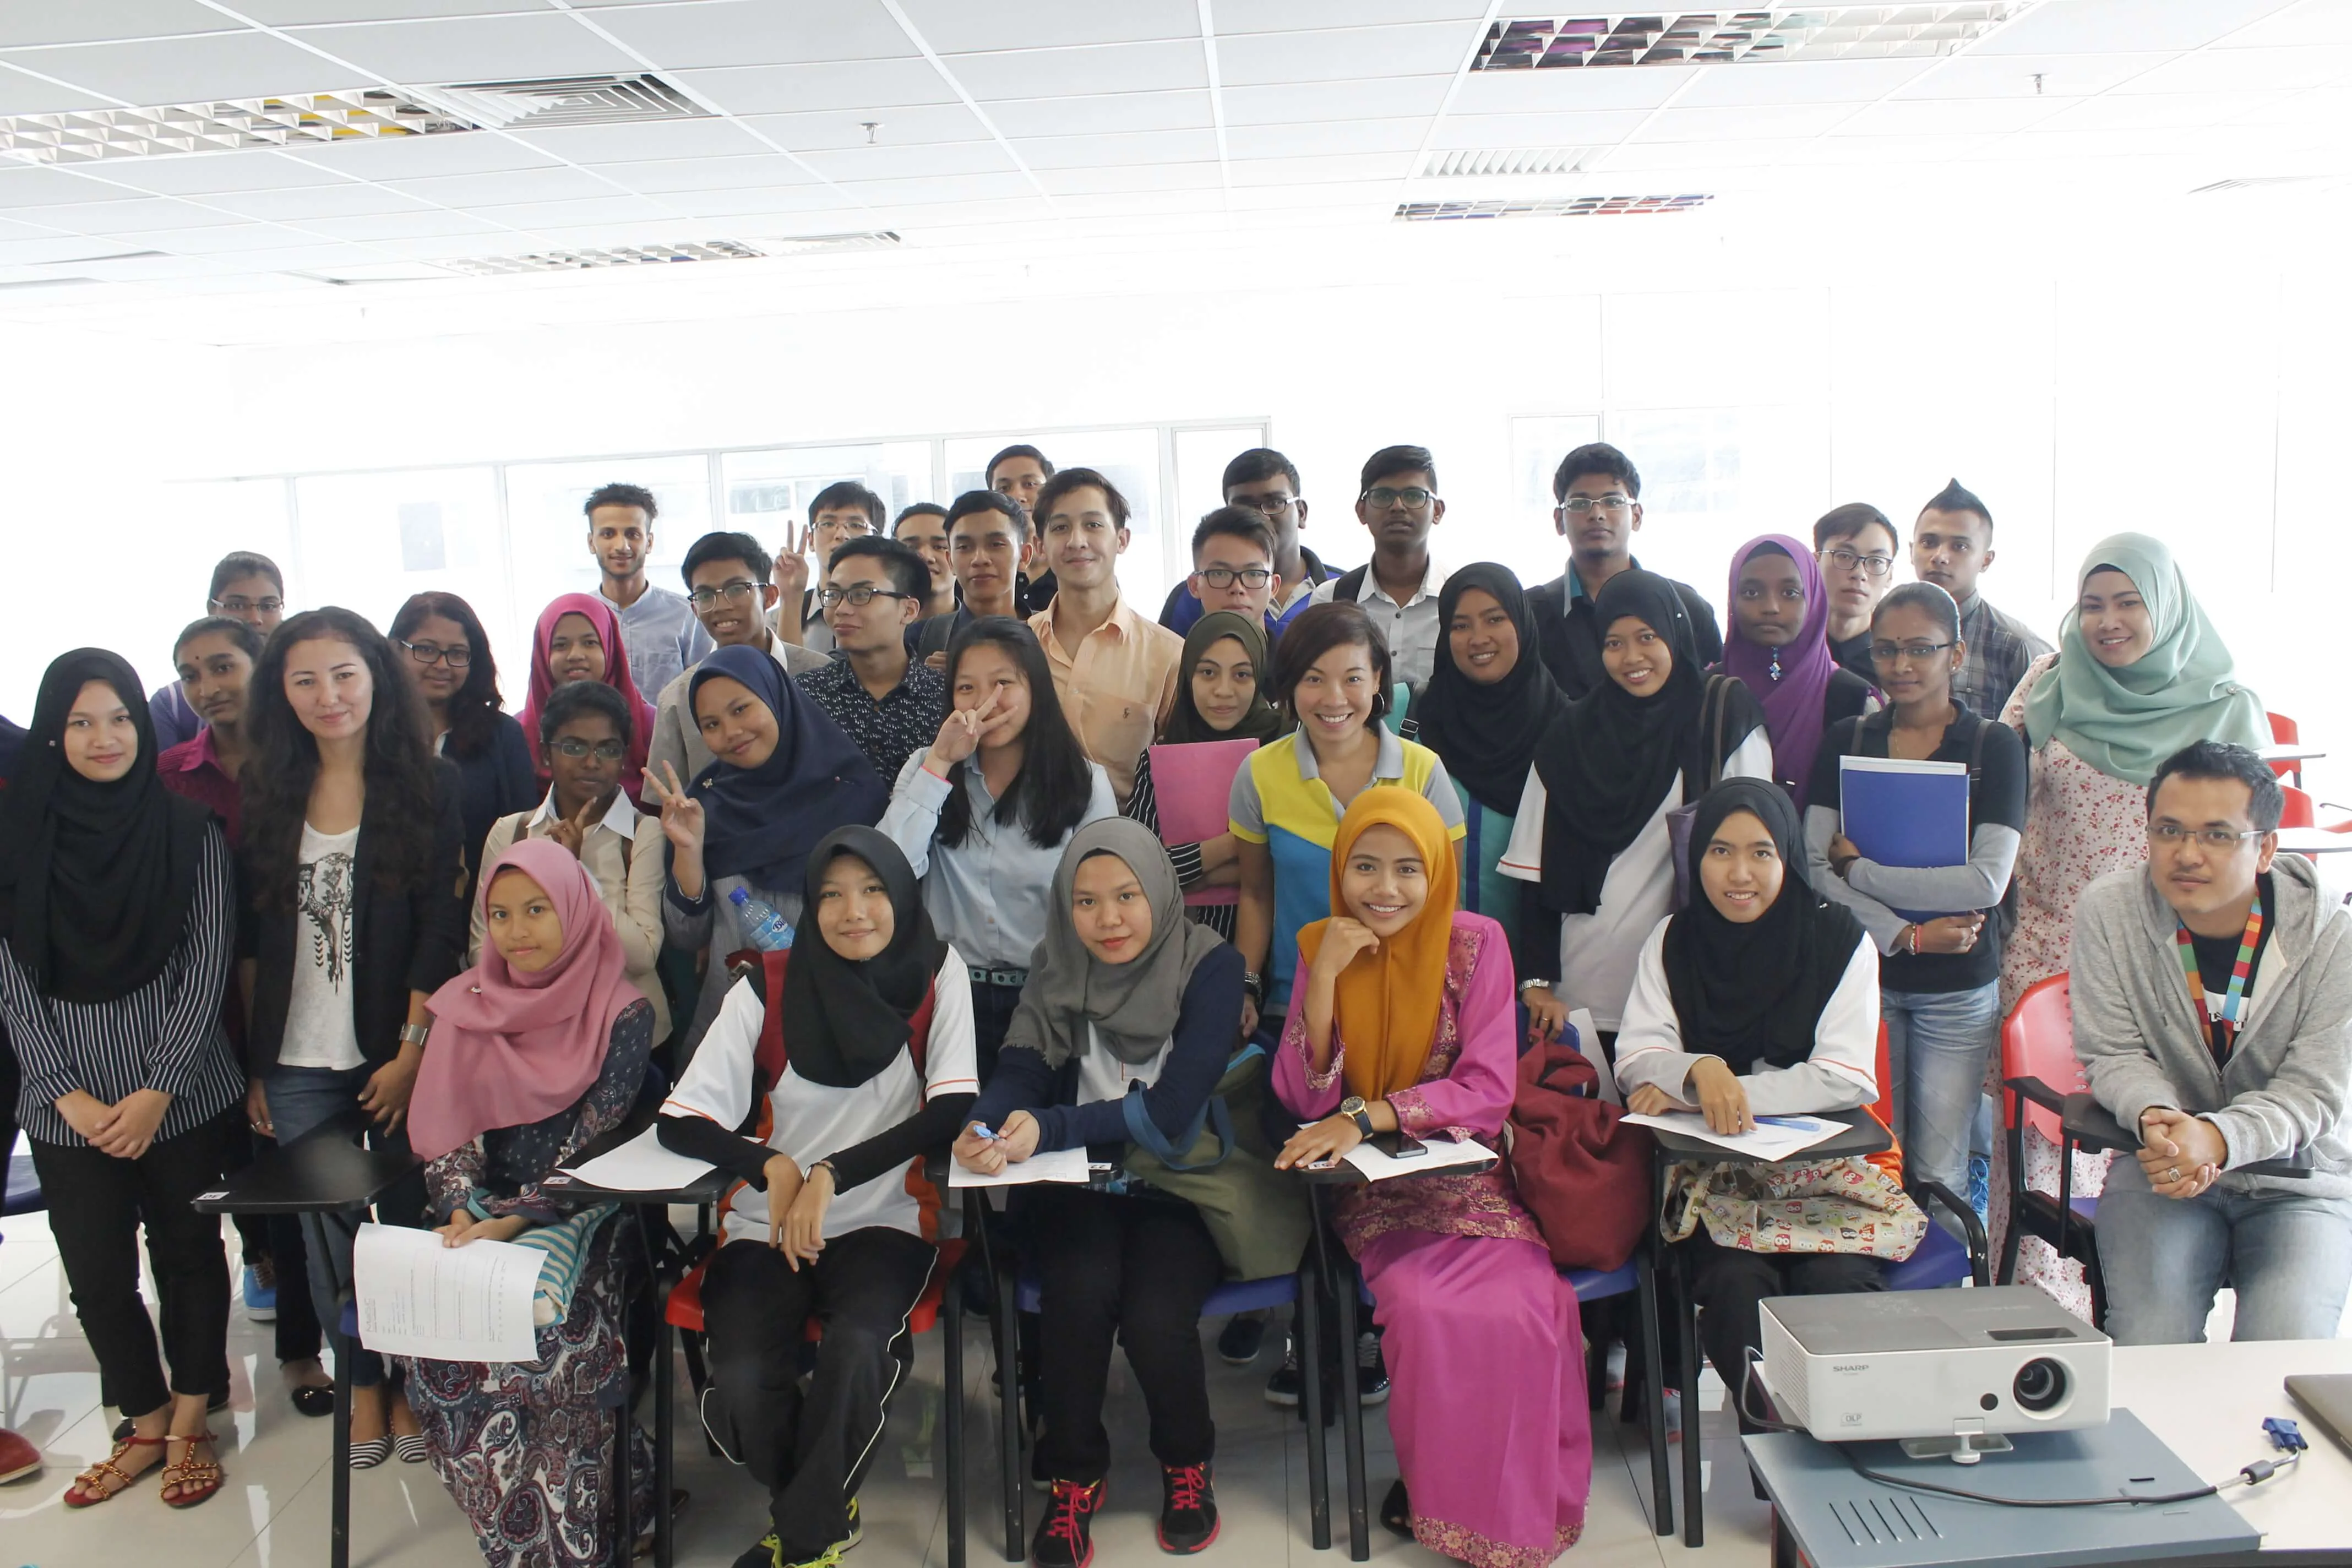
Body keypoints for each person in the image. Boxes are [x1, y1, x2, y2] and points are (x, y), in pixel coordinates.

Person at [1272, 789, 1590, 1565]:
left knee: (1527, 1305)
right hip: (1372, 1190)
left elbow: (1487, 1090)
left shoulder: (1477, 944)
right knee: (1423, 1307)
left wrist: (1371, 1114)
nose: (1385, 889)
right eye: (1366, 867)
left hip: (1471, 1179)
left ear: (1437, 871)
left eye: (1408, 869)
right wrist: (1325, 980)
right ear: (1340, 869)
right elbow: (1303, 1099)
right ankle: (1444, 1497)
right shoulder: (1323, 944)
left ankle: (1509, 1505)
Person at [658, 827, 978, 1568]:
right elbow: (682, 1118)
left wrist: (831, 1172)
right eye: (831, 895)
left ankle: (803, 1542)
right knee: (741, 1380)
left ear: (902, 896)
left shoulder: (937, 972)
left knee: (859, 1347)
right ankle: (824, 1502)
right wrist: (772, 1166)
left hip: (885, 1223)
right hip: (763, 1230)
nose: (853, 911)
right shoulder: (764, 984)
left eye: (873, 890)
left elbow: (950, 1109)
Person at [953, 821, 1245, 1567]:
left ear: (1160, 892)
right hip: (1077, 1186)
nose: (1107, 919)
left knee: (1155, 1315)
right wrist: (985, 1122)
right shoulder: (1057, 960)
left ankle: (1187, 1462)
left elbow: (1171, 1110)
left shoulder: (1211, 966)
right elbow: (1024, 1064)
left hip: (1180, 1181)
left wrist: (1048, 1127)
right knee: (1077, 1294)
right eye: (1085, 901)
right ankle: (1074, 1475)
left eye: (1126, 896)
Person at [1998, 534, 2267, 1315]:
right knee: (2042, 1155)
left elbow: (2247, 857)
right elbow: (1998, 795)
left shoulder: (2225, 706)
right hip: (2042, 952)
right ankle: (2040, 1335)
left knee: (2140, 1144)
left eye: (2127, 603)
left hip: (2166, 964)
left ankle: (2141, 1322)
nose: (2107, 621)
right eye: (2091, 605)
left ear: (2167, 607)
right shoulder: (2047, 684)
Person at [0, 650, 243, 1509]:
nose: (103, 738)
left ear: (143, 727)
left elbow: (208, 964)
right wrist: (64, 1092)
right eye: (80, 722)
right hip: (65, 1107)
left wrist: (157, 1090)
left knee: (188, 1256)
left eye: (119, 719)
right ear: (52, 734)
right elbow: (9, 978)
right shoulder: (18, 838)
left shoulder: (189, 831)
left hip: (181, 1097)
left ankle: (191, 1419)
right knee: (97, 1274)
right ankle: (144, 1421)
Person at [242, 606, 468, 1467]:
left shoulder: (430, 783)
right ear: (282, 693)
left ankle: (410, 1381)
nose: (327, 695)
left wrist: (412, 1050)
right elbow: (254, 940)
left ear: (376, 676)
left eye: (343, 674)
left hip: (392, 1046)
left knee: (401, 1224)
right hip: (296, 1056)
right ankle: (367, 1383)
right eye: (304, 680)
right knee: (328, 1229)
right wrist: (257, 1067)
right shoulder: (270, 787)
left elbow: (440, 929)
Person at [1616, 780, 1908, 1443]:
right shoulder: (1673, 939)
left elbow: (1845, 1077)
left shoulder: (1840, 940)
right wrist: (1699, 1068)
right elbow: (1637, 1055)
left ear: (1789, 858)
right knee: (1735, 1283)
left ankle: (1843, 1445)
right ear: (1696, 858)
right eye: (1720, 851)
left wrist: (1710, 1092)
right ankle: (1778, 1457)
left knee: (1837, 1278)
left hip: (1828, 1178)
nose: (1739, 873)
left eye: (1761, 852)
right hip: (1713, 1182)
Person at [401, 839, 657, 1566]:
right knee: (439, 1351)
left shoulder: (621, 1010)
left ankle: (573, 1541)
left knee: (554, 1342)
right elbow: (449, 1131)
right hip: (476, 1216)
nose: (517, 931)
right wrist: (461, 1209)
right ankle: (534, 1531)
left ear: (575, 911)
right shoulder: (466, 1005)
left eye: (538, 910)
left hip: (587, 1214)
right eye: (501, 914)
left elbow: (596, 1143)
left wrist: (514, 1222)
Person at [2071, 742, 2352, 1346]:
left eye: (2218, 835)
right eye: (2169, 830)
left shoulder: (2334, 933)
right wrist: (2159, 1117)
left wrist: (2220, 1138)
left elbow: (2315, 1090)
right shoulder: (2111, 911)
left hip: (2299, 1181)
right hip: (2162, 1170)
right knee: (2150, 1340)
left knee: (2284, 1350)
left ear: (2266, 848)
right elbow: (2113, 1051)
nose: (2187, 854)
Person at [1806, 582, 2026, 1222]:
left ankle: (1944, 1278)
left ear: (1956, 655)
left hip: (1958, 989)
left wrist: (1863, 872)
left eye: (1920, 649)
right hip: (1865, 980)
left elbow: (1986, 882)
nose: (1901, 665)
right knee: (1874, 1156)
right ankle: (1879, 1278)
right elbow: (1815, 866)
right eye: (1886, 650)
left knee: (1941, 1169)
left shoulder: (1993, 746)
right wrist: (1905, 935)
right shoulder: (1848, 738)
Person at [159, 617, 330, 1406]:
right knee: (206, 1196)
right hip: (188, 1017)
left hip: (285, 1004)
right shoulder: (168, 773)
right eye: (190, 673)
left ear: (259, 667)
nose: (207, 687)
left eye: (222, 666)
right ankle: (202, 1371)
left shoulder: (300, 761)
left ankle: (301, 1352)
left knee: (287, 1190)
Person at [1500, 570, 1771, 1056]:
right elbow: (1533, 874)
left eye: (1647, 637)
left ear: (1675, 631)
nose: (1631, 658)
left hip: (1693, 989)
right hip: (1581, 991)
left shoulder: (1722, 717)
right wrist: (1536, 982)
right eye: (1614, 643)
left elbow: (1757, 855)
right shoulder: (1569, 735)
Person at [883, 617, 1117, 1077]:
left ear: (1036, 689)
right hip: (948, 995)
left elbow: (1104, 902)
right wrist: (941, 763)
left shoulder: (1084, 783)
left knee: (1030, 1117)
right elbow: (891, 871)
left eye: (1003, 683)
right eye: (966, 688)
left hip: (1047, 997)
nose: (985, 702)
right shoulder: (926, 767)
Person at [646, 644, 889, 1052]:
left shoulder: (852, 795)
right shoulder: (703, 806)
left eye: (741, 709)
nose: (731, 733)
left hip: (833, 1023)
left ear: (777, 697)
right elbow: (687, 937)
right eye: (711, 724)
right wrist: (688, 851)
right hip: (732, 1034)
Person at [1413, 565, 1570, 1034]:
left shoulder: (1566, 729)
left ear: (1522, 623)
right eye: (1461, 625)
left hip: (1531, 985)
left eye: (1495, 619)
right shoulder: (1417, 720)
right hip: (1424, 972)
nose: (1478, 638)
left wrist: (1538, 977)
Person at [476, 680, 669, 1049]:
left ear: (624, 757)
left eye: (608, 749)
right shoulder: (513, 832)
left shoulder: (642, 833)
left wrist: (576, 873)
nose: (592, 762)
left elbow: (642, 957)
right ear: (546, 754)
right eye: (574, 747)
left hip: (624, 1035)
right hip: (530, 1031)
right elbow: (482, 947)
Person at [1125, 609, 1287, 944]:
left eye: (1242, 675)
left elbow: (1294, 863)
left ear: (1260, 677)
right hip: (1180, 945)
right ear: (1188, 676)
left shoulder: (1285, 751)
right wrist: (1237, 843)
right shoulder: (1160, 758)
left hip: (1275, 947)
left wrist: (1201, 876)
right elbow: (1141, 868)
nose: (1223, 690)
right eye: (1208, 672)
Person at [1027, 467, 1183, 808]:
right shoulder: (1018, 646)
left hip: (1126, 832)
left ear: (1122, 540)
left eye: (1093, 525)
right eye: (1060, 528)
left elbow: (1177, 774)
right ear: (1040, 545)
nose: (1076, 541)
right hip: (1027, 832)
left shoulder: (1169, 655)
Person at [1525, 444, 1723, 699]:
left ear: (1637, 516)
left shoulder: (1685, 607)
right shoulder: (1530, 615)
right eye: (1580, 503)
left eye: (1613, 501)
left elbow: (1713, 698)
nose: (1597, 514)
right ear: (1559, 521)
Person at [648, 531, 831, 784]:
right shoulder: (677, 700)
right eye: (705, 596)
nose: (722, 606)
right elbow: (665, 798)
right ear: (694, 609)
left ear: (770, 597)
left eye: (736, 590)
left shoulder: (823, 674)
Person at [390, 591, 537, 895]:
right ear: (395, 650)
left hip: (485, 905)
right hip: (391, 905)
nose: (442, 665)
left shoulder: (503, 734)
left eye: (457, 653)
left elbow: (525, 833)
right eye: (426, 650)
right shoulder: (374, 733)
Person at [1717, 535, 1877, 811]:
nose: (1771, 607)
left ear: (1813, 599)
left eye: (1790, 593)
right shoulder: (1709, 693)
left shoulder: (1853, 699)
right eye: (1751, 593)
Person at [799, 536, 949, 785]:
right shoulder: (804, 695)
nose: (842, 609)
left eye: (861, 594)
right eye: (834, 594)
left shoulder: (946, 696)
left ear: (908, 610)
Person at [1306, 445, 1450, 694]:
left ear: (1437, 511)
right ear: (1362, 511)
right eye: (1383, 496)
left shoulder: (1460, 600)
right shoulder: (1330, 600)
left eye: (1414, 496)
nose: (1398, 506)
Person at [1912, 478, 2050, 716]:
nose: (1940, 556)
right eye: (1928, 542)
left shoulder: (2017, 646)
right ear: (1911, 550)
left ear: (1986, 560)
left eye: (1960, 546)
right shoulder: (1884, 635)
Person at [1158, 449, 1332, 634]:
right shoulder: (1190, 598)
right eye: (1244, 506)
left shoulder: (1342, 589)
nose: (1260, 516)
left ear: (1301, 513)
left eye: (1274, 503)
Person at [518, 592, 660, 808]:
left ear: (610, 648)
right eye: (561, 645)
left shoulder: (651, 724)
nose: (575, 655)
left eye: (590, 643)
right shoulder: (518, 732)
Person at [586, 480, 710, 701]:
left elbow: (705, 691)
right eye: (608, 534)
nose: (622, 546)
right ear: (591, 543)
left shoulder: (686, 616)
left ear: (650, 542)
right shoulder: (579, 618)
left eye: (633, 534)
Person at [150, 551, 286, 751]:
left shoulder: (304, 688)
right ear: (212, 609)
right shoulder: (173, 704)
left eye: (268, 606)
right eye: (237, 605)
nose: (255, 618)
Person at [913, 489, 1031, 665]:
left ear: (1024, 556)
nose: (980, 559)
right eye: (964, 547)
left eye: (996, 544)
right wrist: (929, 679)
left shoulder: (1050, 634)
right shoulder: (921, 639)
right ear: (950, 561)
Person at [774, 481, 887, 654]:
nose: (841, 535)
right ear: (811, 540)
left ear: (877, 539)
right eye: (827, 524)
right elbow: (782, 671)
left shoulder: (893, 613)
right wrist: (791, 598)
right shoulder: (774, 622)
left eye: (856, 525)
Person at [1814, 503, 1900, 682]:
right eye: (1845, 556)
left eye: (1876, 561)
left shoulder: (1895, 665)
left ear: (1890, 576)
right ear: (1815, 562)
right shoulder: (1789, 650)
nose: (1859, 574)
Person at [1178, 508, 1286, 637]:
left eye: (1253, 574)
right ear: (1194, 586)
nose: (1237, 588)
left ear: (1274, 587)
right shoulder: (1172, 650)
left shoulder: (1292, 651)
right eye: (1220, 574)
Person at [894, 500, 958, 620]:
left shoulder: (984, 628)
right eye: (911, 548)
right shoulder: (876, 629)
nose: (926, 557)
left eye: (940, 547)